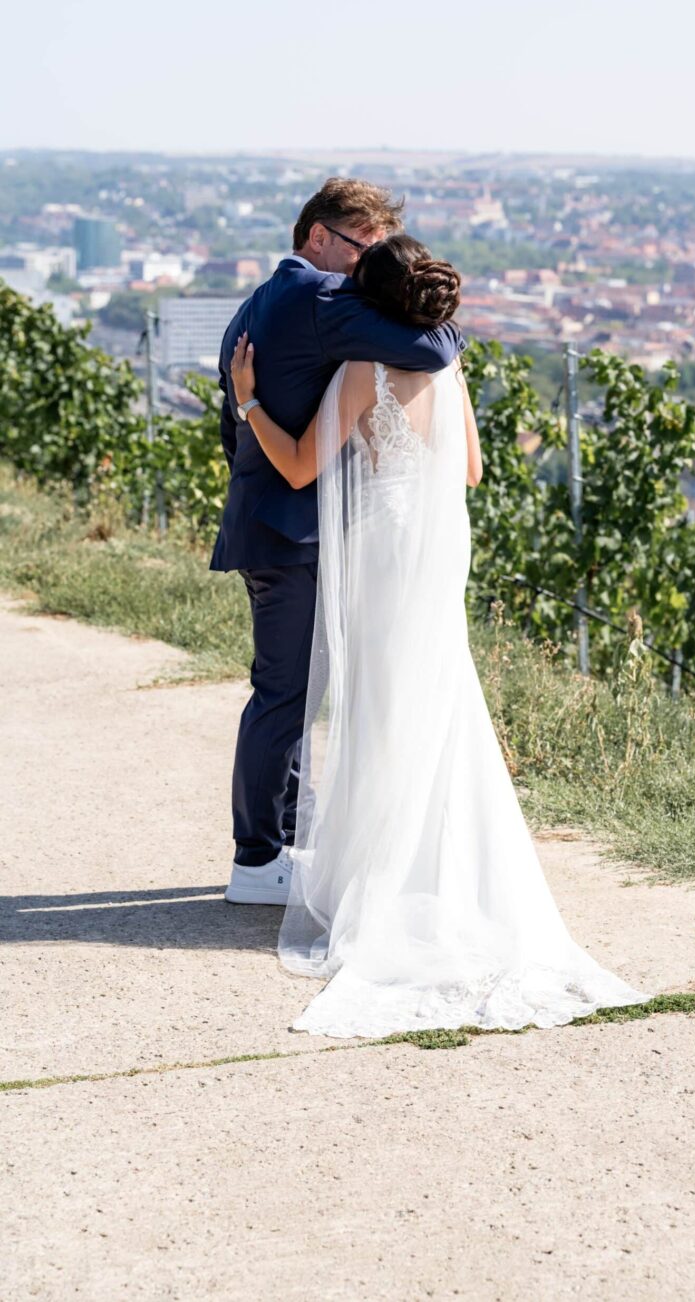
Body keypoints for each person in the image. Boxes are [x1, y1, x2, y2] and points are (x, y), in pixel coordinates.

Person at [228, 232, 653, 1038]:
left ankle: (387, 881)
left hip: (386, 552)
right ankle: (444, 873)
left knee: (384, 709)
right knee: (438, 700)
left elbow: (294, 468)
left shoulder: (360, 372)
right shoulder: (446, 367)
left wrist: (249, 397)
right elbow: (472, 472)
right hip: (435, 551)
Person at [210, 180, 464, 905]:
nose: (365, 268)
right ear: (318, 236)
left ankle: (283, 842)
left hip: (268, 521)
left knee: (290, 692)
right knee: (284, 695)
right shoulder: (323, 298)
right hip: (293, 533)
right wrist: (431, 306)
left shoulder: (261, 297)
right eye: (362, 247)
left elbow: (233, 419)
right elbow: (437, 345)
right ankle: (257, 860)